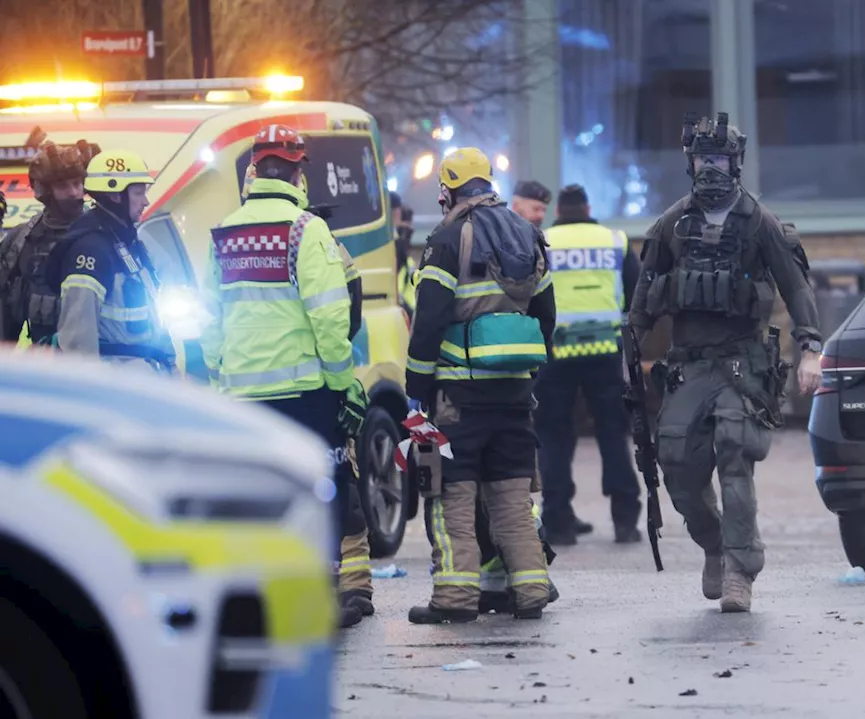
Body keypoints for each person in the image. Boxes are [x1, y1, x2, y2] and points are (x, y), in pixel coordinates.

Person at [628, 113, 822, 613]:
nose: (709, 169)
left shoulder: (760, 223)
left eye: (718, 159)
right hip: (688, 365)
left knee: (735, 459)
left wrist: (811, 349)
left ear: (735, 163)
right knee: (678, 471)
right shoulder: (673, 224)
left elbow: (797, 288)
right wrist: (628, 348)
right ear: (689, 163)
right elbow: (645, 296)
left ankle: (740, 567)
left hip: (741, 362)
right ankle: (714, 545)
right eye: (701, 160)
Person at [199, 124, 372, 629]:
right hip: (307, 395)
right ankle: (319, 596)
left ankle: (266, 598)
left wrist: (220, 375)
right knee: (326, 489)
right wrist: (345, 384)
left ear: (253, 171)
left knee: (261, 496)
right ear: (298, 173)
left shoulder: (225, 232)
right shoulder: (306, 230)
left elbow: (210, 320)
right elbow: (328, 317)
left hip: (244, 395)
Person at [405, 147, 554, 624]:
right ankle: (530, 591)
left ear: (448, 189)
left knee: (452, 501)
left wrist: (417, 386)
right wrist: (528, 373)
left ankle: (454, 599)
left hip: (458, 396)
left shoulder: (448, 237)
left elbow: (428, 319)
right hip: (513, 392)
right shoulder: (528, 233)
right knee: (512, 498)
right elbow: (546, 315)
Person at [535, 183, 643, 546]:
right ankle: (625, 519)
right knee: (613, 434)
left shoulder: (543, 240)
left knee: (554, 438)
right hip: (604, 351)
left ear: (559, 211)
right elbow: (637, 291)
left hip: (555, 353)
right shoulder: (614, 240)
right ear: (588, 207)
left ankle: (558, 521)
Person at [50, 149, 176, 372]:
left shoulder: (128, 243)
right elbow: (78, 343)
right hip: (119, 385)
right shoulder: (90, 251)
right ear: (115, 195)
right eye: (138, 193)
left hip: (146, 378)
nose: (145, 201)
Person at [0, 134, 99, 345]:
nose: (74, 193)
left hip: (101, 365)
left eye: (77, 183)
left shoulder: (104, 234)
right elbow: (5, 316)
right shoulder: (20, 242)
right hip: (46, 366)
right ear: (45, 192)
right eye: (63, 186)